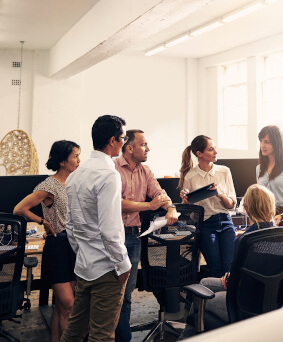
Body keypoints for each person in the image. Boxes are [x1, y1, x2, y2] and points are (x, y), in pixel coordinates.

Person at [60, 115, 131, 342]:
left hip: (84, 265)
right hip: (107, 268)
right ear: (112, 140)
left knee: (74, 331)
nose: (124, 142)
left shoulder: (76, 174)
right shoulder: (109, 175)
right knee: (102, 336)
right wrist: (123, 265)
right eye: (123, 138)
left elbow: (69, 224)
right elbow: (110, 229)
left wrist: (81, 252)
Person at [183, 184, 276, 333]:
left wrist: (228, 279)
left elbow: (232, 283)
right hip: (273, 300)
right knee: (204, 283)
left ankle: (192, 332)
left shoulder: (245, 240)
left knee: (199, 303)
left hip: (245, 303)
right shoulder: (282, 236)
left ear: (246, 208)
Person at [114, 129, 178, 342]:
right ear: (130, 147)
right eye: (144, 145)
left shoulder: (146, 171)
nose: (148, 148)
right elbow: (116, 203)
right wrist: (149, 205)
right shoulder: (113, 168)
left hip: (133, 238)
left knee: (126, 294)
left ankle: (122, 338)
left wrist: (170, 208)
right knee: (109, 292)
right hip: (112, 236)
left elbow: (160, 193)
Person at [13, 140, 80, 342]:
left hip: (74, 245)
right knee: (68, 304)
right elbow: (19, 209)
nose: (79, 160)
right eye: (75, 156)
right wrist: (44, 222)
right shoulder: (49, 185)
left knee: (63, 306)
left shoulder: (74, 182)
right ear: (62, 161)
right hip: (58, 246)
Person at [179, 135, 236, 278]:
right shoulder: (190, 177)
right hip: (205, 225)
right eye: (211, 149)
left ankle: (229, 300)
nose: (216, 152)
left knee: (230, 268)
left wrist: (220, 194)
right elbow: (189, 213)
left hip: (225, 221)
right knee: (216, 269)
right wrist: (185, 201)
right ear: (199, 154)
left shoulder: (224, 171)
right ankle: (219, 300)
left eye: (214, 148)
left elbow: (231, 205)